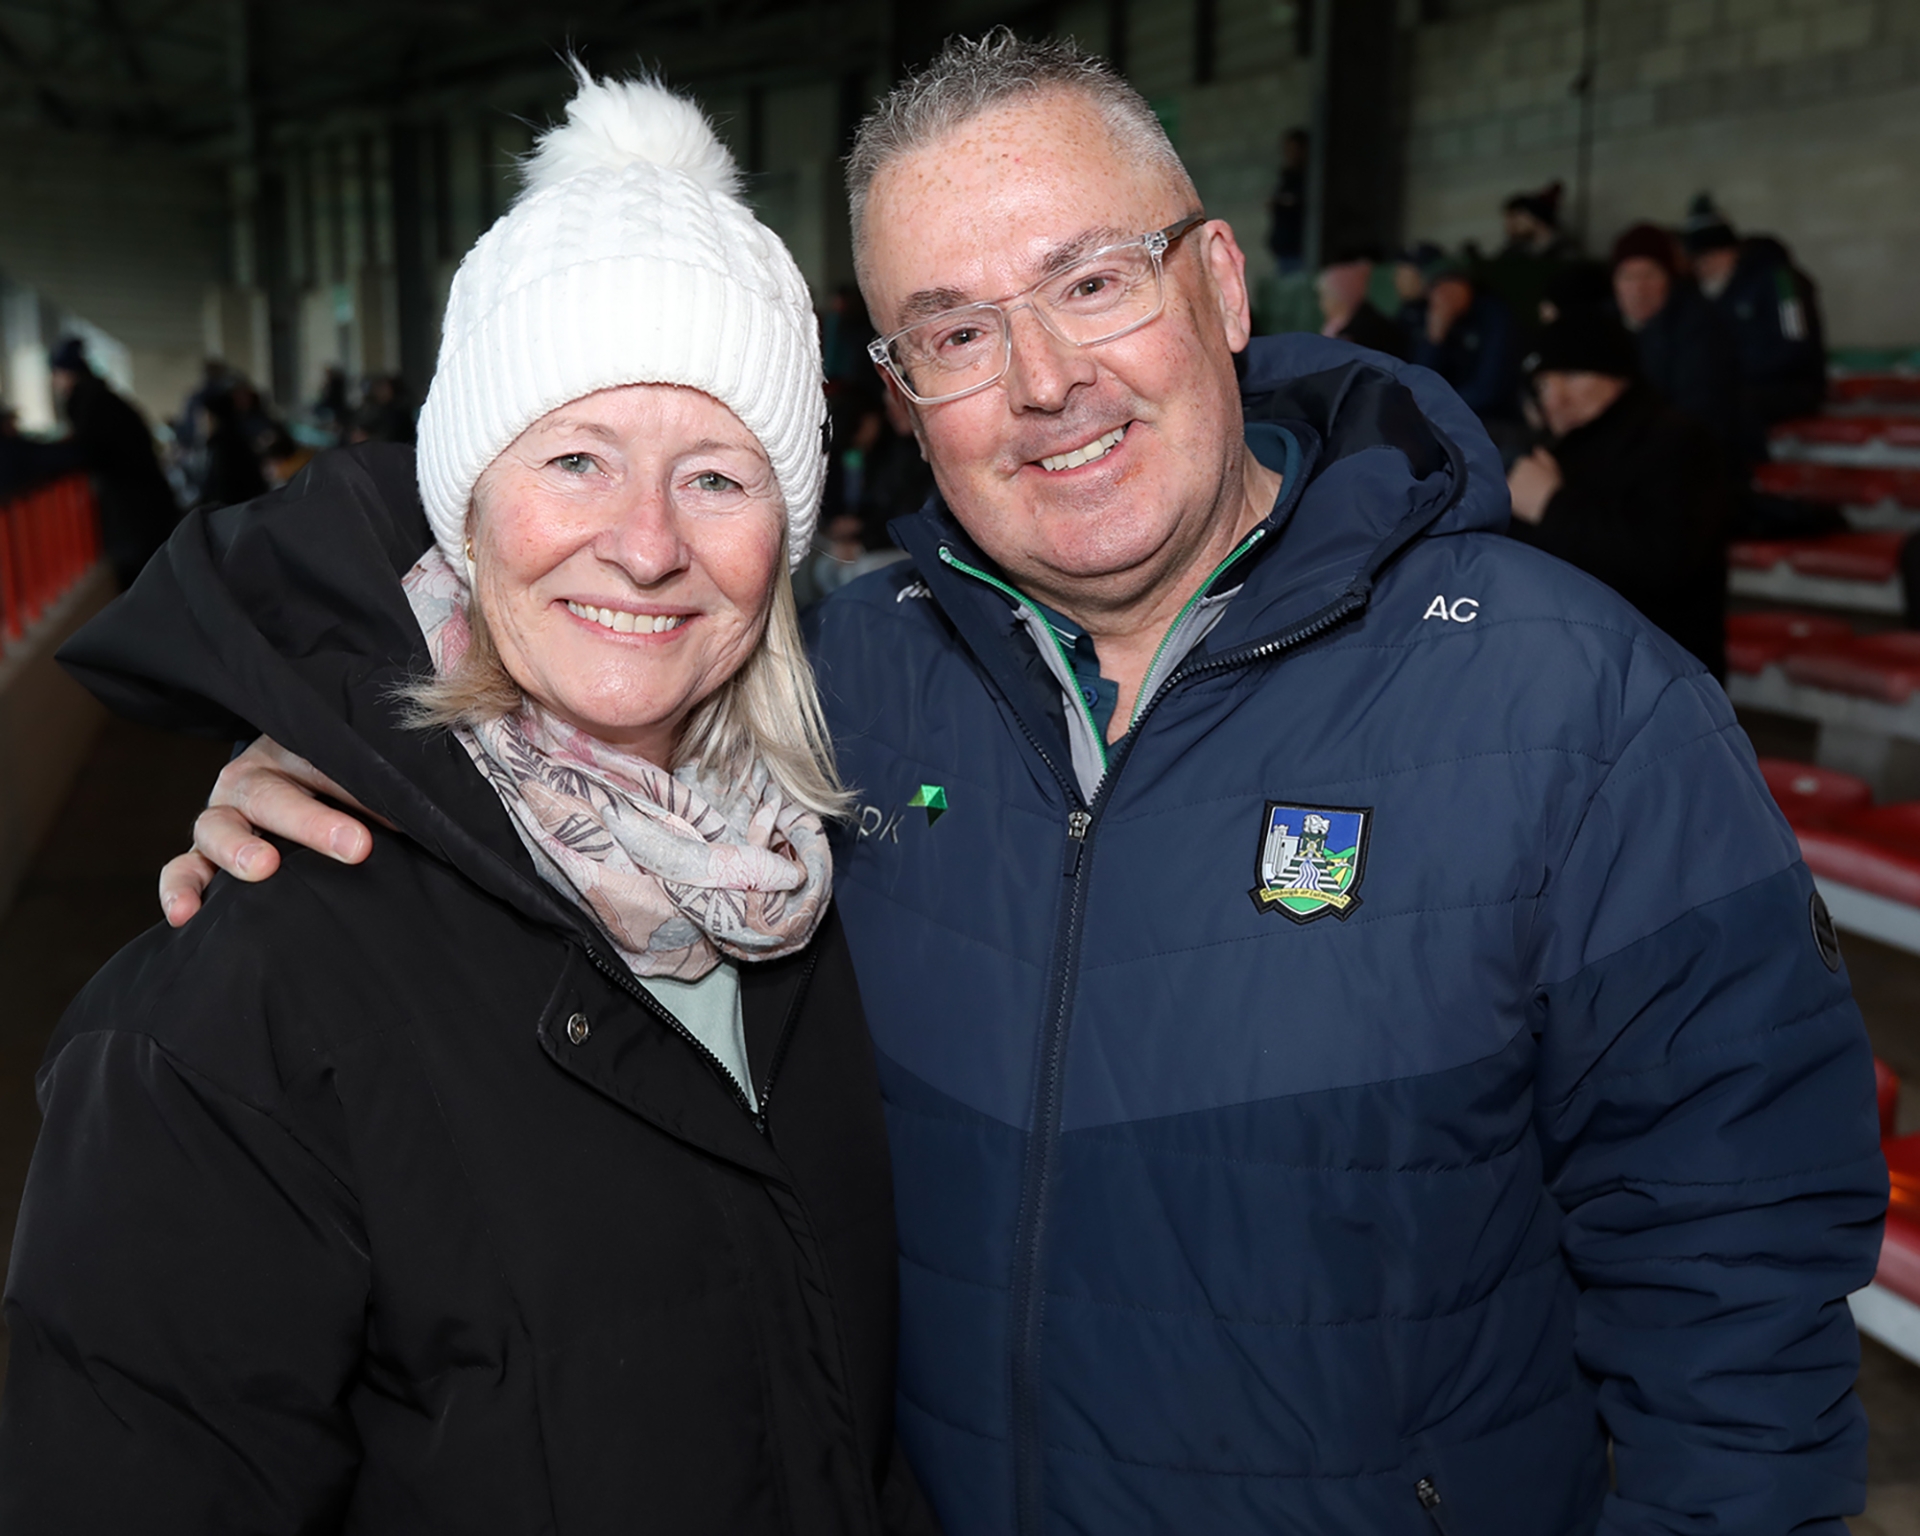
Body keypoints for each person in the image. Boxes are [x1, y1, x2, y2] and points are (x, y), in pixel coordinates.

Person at [151, 32, 1885, 1536]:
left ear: (1220, 285)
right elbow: (569, 734)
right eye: (956, 331)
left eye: (1093, 282)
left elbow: (1737, 1308)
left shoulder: (1577, 704)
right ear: (903, 398)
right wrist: (343, 771)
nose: (1046, 380)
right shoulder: (849, 683)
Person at [1, 73, 934, 1536]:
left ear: (786, 538)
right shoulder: (242, 999)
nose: (646, 545)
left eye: (716, 476)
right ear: (468, 507)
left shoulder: (807, 878)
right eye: (574, 460)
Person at [1507, 308, 1733, 679]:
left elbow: (1661, 562)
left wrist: (1551, 506)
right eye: (1544, 384)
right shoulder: (1553, 453)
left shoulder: (1678, 444)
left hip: (1659, 675)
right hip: (1568, 668)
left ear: (1620, 378)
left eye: (1573, 375)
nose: (1555, 398)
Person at [1683, 193, 1827, 464]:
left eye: (1708, 259)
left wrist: (1732, 373)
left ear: (1729, 253)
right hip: (1741, 388)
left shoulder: (1781, 281)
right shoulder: (1714, 295)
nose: (1703, 269)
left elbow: (1795, 346)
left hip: (1792, 387)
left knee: (1727, 408)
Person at [47, 336, 180, 587]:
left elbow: (86, 451)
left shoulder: (89, 403)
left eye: (56, 374)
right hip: (147, 506)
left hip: (132, 513)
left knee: (141, 583)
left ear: (67, 374)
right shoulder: (105, 398)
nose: (54, 382)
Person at [1608, 221, 1740, 456]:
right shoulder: (1602, 326)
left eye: (1650, 275)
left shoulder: (1699, 327)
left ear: (1669, 279)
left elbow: (1699, 411)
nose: (1638, 289)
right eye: (1627, 276)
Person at [1410, 256, 1522, 432]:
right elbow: (1419, 383)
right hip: (1445, 417)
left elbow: (1489, 388)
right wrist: (1434, 338)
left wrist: (1443, 408)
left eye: (1451, 284)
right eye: (1436, 288)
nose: (1444, 295)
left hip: (1493, 419)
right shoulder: (1433, 319)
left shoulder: (1494, 317)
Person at [1315, 250, 1411, 361]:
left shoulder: (1368, 330)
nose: (1321, 303)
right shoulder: (1337, 327)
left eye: (1325, 295)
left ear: (1341, 297)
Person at [1265, 127, 1308, 275]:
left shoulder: (1311, 179)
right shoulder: (1288, 176)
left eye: (1294, 149)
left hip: (1301, 248)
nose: (1290, 154)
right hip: (1286, 249)